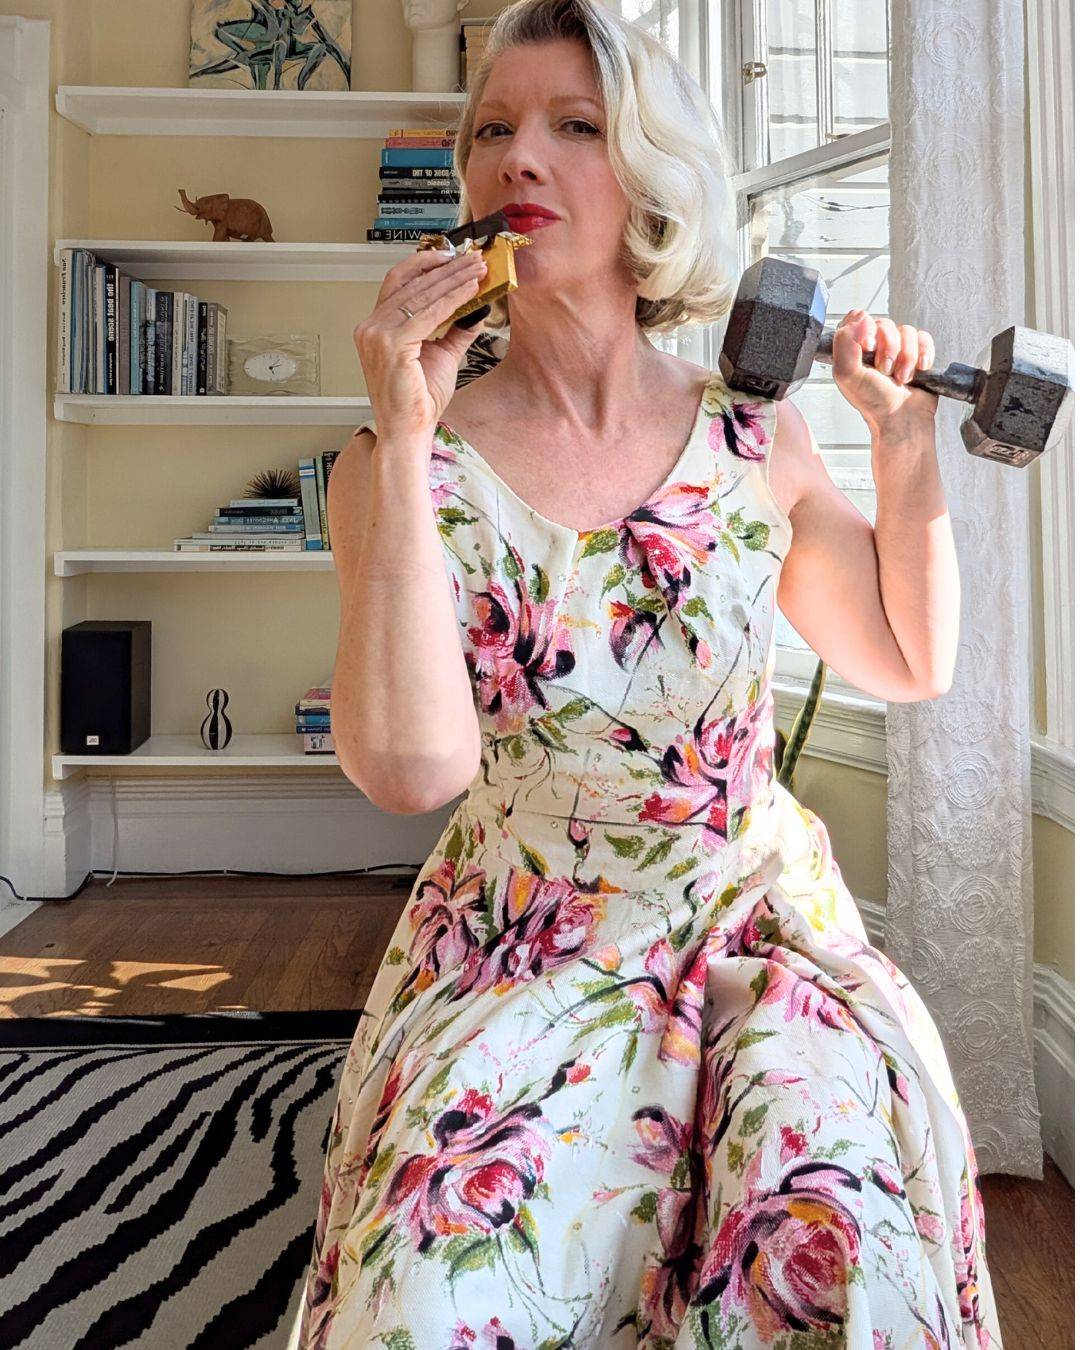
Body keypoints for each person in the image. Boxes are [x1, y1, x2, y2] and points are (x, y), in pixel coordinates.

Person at [295, 1, 1001, 1345]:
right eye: (493, 129)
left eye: (576, 126)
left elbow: (907, 660)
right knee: (431, 1284)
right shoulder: (402, 467)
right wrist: (397, 439)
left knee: (828, 1223)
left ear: (651, 179)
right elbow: (411, 769)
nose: (522, 158)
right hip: (523, 935)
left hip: (753, 928)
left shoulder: (752, 430)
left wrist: (904, 449)